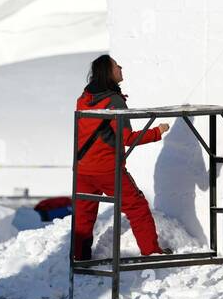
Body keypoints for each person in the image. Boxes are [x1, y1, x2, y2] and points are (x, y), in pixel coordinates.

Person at [72, 54, 170, 261]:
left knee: (83, 215)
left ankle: (79, 258)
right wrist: (157, 132)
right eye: (116, 66)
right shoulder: (114, 101)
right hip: (107, 170)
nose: (120, 68)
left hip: (82, 169)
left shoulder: (84, 99)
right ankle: (151, 252)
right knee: (137, 207)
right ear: (108, 73)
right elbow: (127, 138)